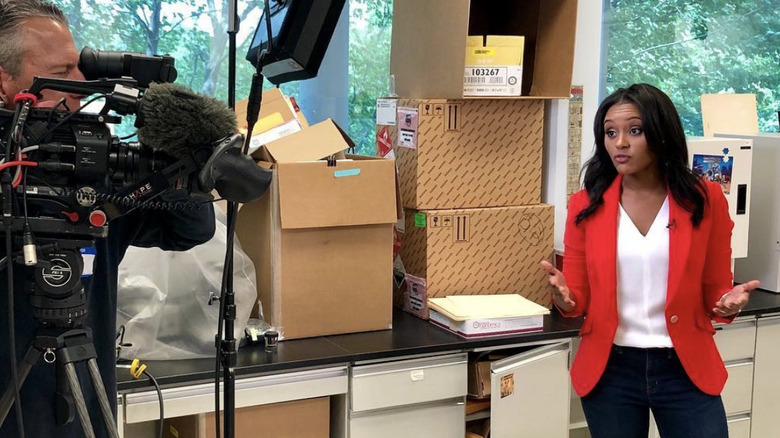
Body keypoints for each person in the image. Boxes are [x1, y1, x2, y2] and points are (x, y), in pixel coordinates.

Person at [0, 1, 216, 437]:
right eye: (64, 69)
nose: (83, 83)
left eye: (82, 66)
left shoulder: (96, 169)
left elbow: (192, 228)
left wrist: (178, 143)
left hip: (83, 407)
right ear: (5, 81)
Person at [539, 83, 760, 438]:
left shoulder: (705, 200)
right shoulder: (586, 204)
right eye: (610, 132)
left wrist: (726, 303)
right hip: (611, 369)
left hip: (684, 367)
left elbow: (715, 291)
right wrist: (564, 298)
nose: (620, 143)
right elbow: (576, 299)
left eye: (634, 131)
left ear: (661, 134)